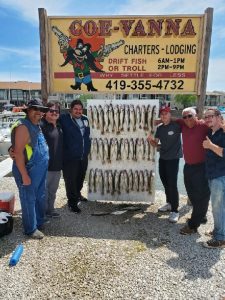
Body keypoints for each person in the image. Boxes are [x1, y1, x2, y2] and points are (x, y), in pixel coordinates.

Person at [11, 99, 49, 239]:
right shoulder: (23, 127)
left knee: (39, 196)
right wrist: (24, 175)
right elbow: (18, 152)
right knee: (28, 198)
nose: (38, 113)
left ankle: (39, 221)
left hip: (39, 170)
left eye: (41, 110)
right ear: (28, 110)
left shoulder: (36, 125)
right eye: (35, 109)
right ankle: (30, 229)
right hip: (28, 170)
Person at [177, 107, 210, 235]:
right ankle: (201, 216)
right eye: (184, 117)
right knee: (191, 193)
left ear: (196, 115)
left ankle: (192, 225)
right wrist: (157, 122)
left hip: (202, 166)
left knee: (202, 195)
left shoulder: (203, 125)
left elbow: (218, 127)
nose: (187, 119)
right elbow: (174, 120)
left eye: (190, 116)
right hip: (188, 166)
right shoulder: (183, 125)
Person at [148, 106, 182, 223]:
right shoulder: (160, 128)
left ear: (170, 114)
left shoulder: (177, 126)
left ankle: (175, 210)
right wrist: (150, 140)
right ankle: (169, 203)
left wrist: (173, 119)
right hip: (163, 158)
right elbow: (155, 145)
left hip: (174, 159)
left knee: (172, 184)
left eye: (166, 113)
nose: (163, 116)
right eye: (161, 114)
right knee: (165, 182)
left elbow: (182, 119)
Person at [59, 100, 91, 213]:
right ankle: (72, 203)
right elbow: (50, 120)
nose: (78, 111)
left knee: (80, 178)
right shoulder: (63, 119)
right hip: (69, 157)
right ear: (71, 110)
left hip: (83, 156)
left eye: (80, 109)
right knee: (70, 180)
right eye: (75, 109)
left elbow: (86, 136)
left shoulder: (85, 119)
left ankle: (78, 194)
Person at [202, 108, 225, 248]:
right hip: (212, 175)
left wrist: (210, 146)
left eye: (210, 116)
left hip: (220, 176)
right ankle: (219, 231)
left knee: (218, 207)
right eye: (206, 117)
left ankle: (220, 239)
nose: (208, 119)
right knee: (218, 206)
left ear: (218, 117)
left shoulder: (223, 132)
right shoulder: (211, 132)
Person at [40, 102, 63, 218]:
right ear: (45, 112)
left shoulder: (59, 126)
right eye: (51, 110)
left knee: (52, 191)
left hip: (57, 166)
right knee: (43, 192)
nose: (54, 113)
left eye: (57, 111)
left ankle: (50, 210)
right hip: (45, 166)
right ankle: (42, 213)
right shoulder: (41, 126)